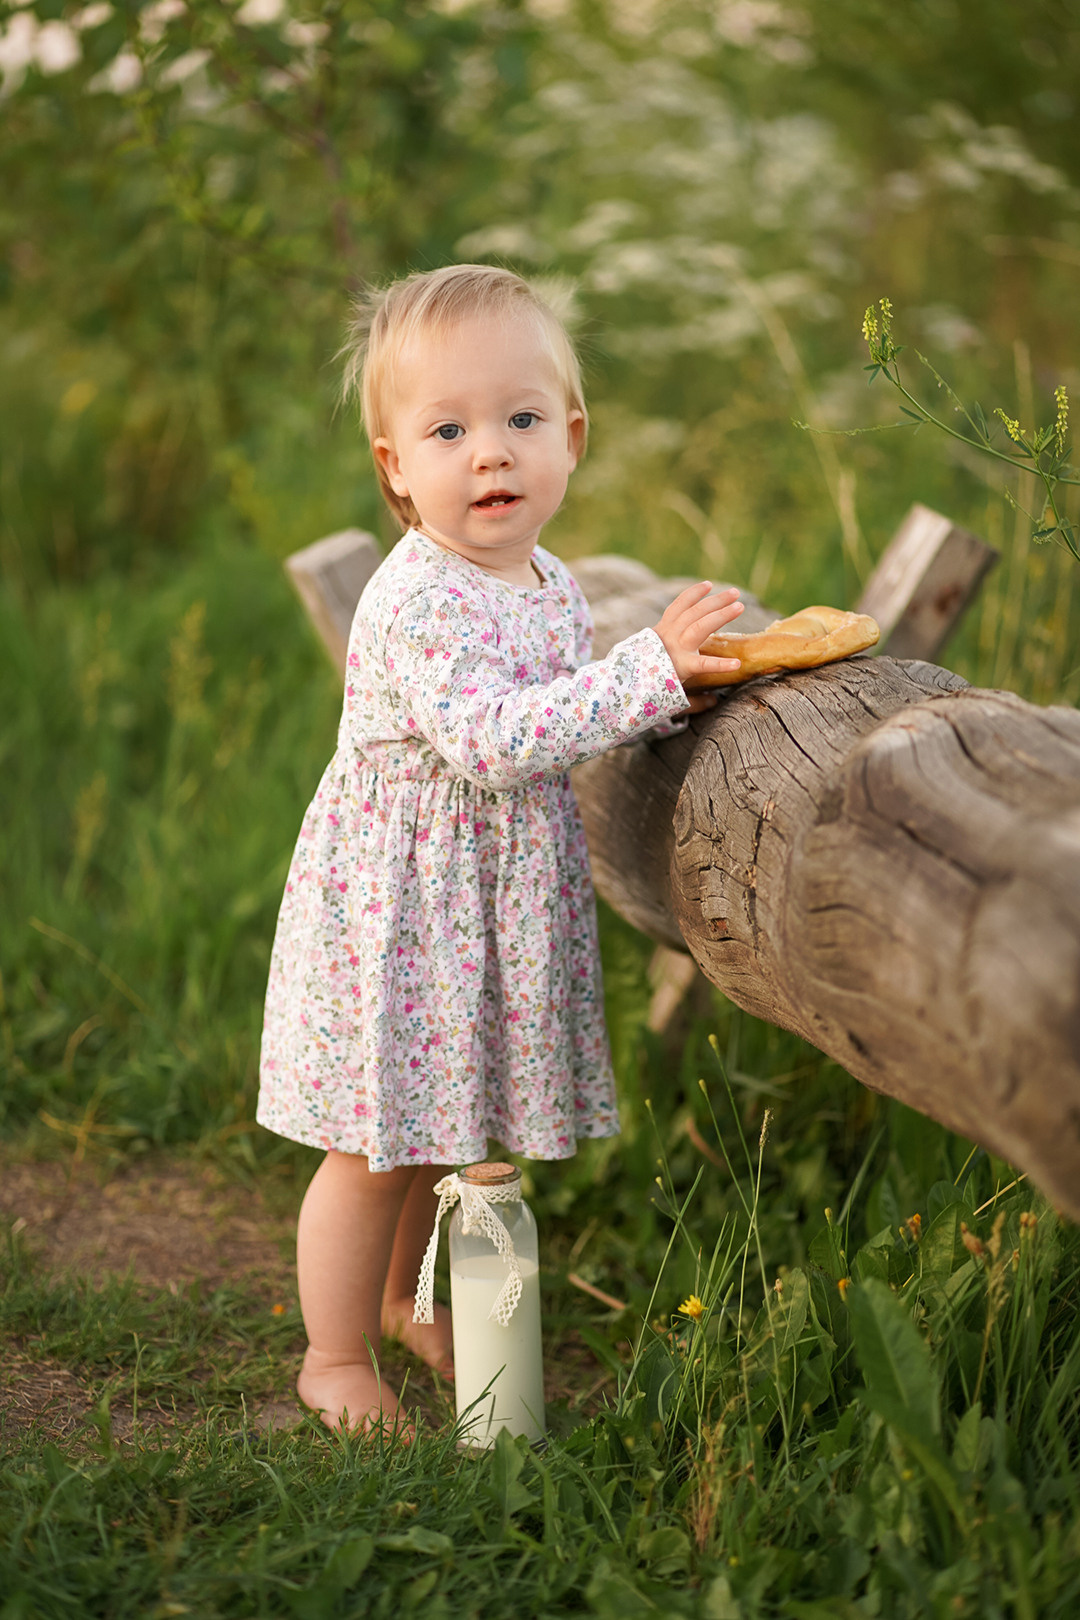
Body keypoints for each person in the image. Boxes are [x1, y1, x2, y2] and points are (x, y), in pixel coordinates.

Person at [256, 264, 744, 1434]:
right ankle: (331, 1358)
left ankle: (403, 1302)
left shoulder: (547, 581)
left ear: (571, 440)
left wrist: (663, 700)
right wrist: (644, 671)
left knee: (439, 1125)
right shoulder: (420, 597)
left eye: (522, 419)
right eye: (449, 428)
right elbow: (490, 737)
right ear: (396, 469)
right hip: (403, 905)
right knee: (376, 1144)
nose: (492, 453)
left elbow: (567, 699)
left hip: (483, 899)